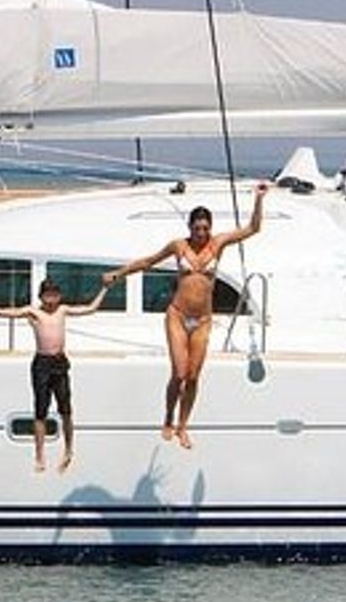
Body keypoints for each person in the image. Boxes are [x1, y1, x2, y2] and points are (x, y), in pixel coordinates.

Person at [105, 182, 269, 448]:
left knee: (193, 376)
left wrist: (259, 200)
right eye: (197, 228)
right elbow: (148, 262)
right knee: (179, 373)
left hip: (203, 320)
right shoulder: (179, 246)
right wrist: (119, 273)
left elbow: (253, 228)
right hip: (178, 316)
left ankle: (183, 425)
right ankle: (168, 417)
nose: (201, 232)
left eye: (205, 228)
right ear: (190, 227)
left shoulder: (218, 244)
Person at [0, 278, 111, 473]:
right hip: (42, 364)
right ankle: (40, 455)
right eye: (47, 294)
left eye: (54, 294)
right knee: (40, 411)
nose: (51, 298)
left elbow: (91, 308)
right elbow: (2, 312)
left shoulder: (63, 310)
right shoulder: (33, 312)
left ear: (59, 296)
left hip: (60, 363)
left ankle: (68, 450)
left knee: (66, 411)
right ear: (41, 296)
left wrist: (105, 288)